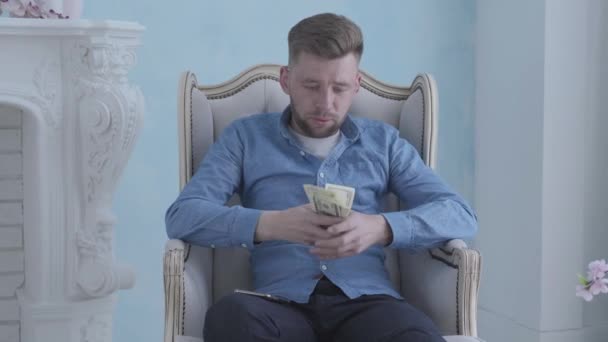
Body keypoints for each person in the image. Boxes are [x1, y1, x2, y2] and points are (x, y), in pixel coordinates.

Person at [165, 12, 477, 342]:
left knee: (418, 335)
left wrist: (381, 228)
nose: (325, 103)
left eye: (339, 88)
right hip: (278, 306)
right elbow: (182, 216)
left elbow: (460, 215)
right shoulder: (244, 138)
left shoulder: (384, 143)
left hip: (369, 305)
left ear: (356, 85)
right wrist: (269, 224)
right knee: (229, 318)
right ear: (286, 80)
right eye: (311, 85)